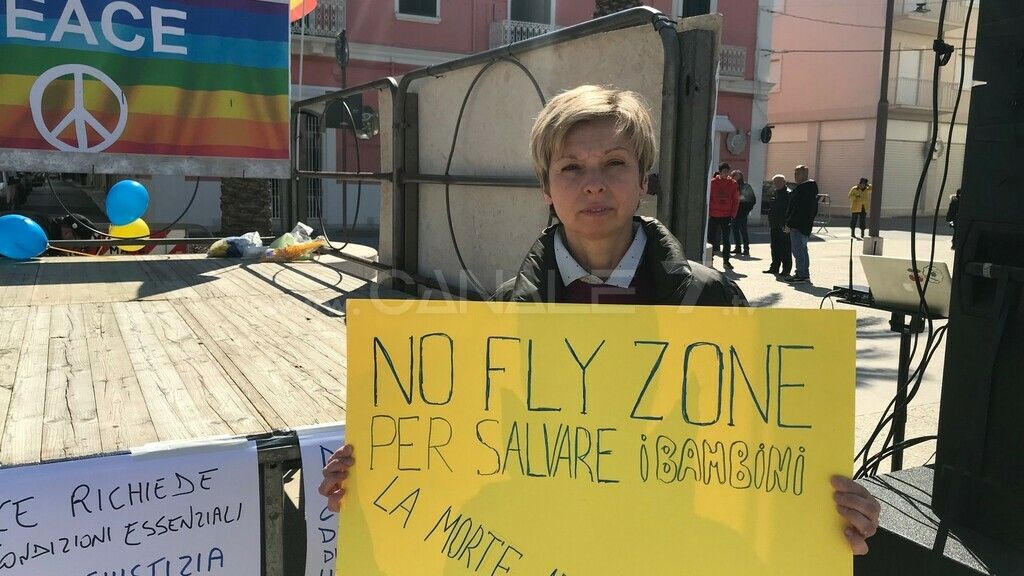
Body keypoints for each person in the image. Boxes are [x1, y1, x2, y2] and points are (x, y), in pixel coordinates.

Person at [319, 85, 880, 555]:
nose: (594, 183)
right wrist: (373, 478)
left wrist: (830, 516)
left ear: (643, 179)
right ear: (546, 188)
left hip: (678, 552)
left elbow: (762, 454)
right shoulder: (506, 312)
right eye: (571, 167)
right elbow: (472, 454)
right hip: (543, 549)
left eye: (614, 163)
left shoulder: (711, 301)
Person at [784, 165, 818, 284]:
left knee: (798, 250)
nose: (795, 176)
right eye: (795, 173)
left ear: (805, 174)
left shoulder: (804, 189)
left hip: (799, 225)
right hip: (804, 224)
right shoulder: (808, 188)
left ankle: (801, 274)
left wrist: (789, 223)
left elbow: (797, 209)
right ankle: (804, 274)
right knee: (802, 250)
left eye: (798, 173)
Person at [708, 162, 739, 270]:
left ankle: (726, 262)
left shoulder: (733, 183)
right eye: (724, 171)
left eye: (728, 171)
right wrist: (709, 212)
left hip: (726, 216)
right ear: (720, 172)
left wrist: (733, 214)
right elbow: (709, 198)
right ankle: (709, 260)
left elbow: (736, 200)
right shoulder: (712, 182)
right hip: (714, 215)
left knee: (726, 240)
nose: (726, 173)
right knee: (711, 239)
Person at [764, 174, 792, 276]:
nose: (777, 184)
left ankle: (786, 270)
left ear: (784, 182)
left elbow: (790, 210)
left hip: (784, 225)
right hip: (774, 224)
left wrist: (788, 224)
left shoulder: (789, 194)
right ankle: (774, 267)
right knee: (775, 247)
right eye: (775, 182)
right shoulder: (775, 193)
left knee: (785, 248)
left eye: (779, 182)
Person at [730, 169, 756, 256]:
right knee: (735, 231)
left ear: (741, 176)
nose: (735, 177)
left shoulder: (746, 186)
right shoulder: (732, 185)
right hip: (734, 212)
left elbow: (752, 200)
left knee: (743, 231)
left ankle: (746, 249)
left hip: (742, 213)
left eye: (737, 175)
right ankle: (738, 248)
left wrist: (746, 210)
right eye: (734, 175)